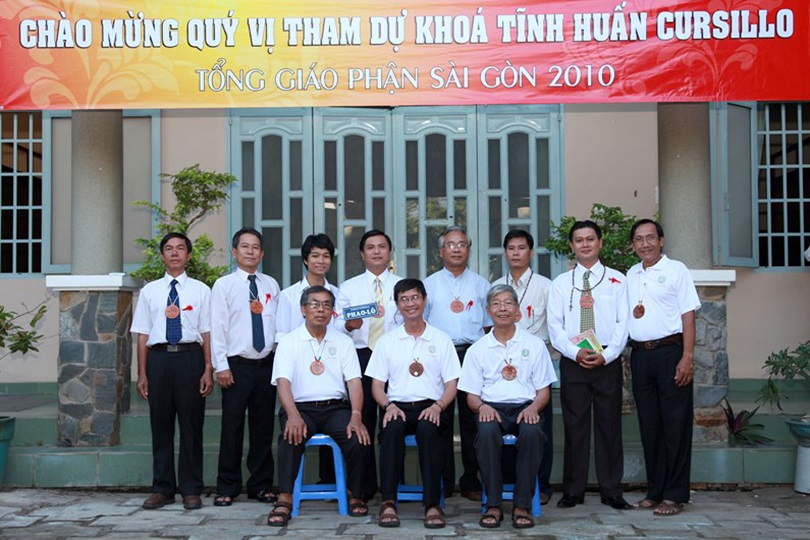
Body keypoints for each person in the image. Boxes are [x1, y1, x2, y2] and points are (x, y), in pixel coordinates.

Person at [267, 286, 371, 526]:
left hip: (336, 409)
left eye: (326, 305)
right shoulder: (289, 341)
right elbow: (283, 383)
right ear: (303, 309)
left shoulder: (343, 342)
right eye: (314, 304)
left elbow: (354, 381)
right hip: (300, 409)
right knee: (290, 436)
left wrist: (356, 414)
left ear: (333, 312)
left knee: (358, 438)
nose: (320, 310)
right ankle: (285, 497)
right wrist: (292, 415)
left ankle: (356, 494)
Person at [547, 220, 632, 510]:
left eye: (590, 239)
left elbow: (623, 322)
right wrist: (575, 353)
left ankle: (612, 490)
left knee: (609, 425)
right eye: (579, 240)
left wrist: (609, 355)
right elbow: (555, 326)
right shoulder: (561, 283)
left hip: (607, 359)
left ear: (600, 243)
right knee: (575, 425)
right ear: (571, 246)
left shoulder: (617, 280)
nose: (585, 244)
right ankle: (573, 490)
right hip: (574, 361)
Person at [459, 284, 557, 529]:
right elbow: (471, 396)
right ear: (488, 311)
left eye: (508, 303)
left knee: (533, 433)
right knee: (486, 432)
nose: (502, 308)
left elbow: (543, 391)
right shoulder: (477, 349)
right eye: (496, 304)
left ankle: (522, 505)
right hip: (491, 407)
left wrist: (534, 408)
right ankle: (493, 505)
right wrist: (481, 407)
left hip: (526, 406)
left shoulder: (534, 345)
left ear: (517, 310)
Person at [366, 279, 461, 529]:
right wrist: (388, 406)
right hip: (396, 406)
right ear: (397, 304)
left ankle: (432, 504)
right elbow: (377, 386)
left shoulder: (441, 339)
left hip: (432, 406)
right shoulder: (387, 341)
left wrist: (439, 406)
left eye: (415, 297)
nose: (410, 304)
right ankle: (388, 501)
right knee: (392, 430)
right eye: (404, 299)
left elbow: (452, 383)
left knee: (429, 431)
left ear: (424, 300)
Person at [131, 232, 212, 511]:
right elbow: (142, 334)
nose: (174, 253)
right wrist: (142, 373)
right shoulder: (150, 291)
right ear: (162, 255)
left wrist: (208, 368)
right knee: (161, 426)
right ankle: (163, 488)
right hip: (159, 360)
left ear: (188, 255)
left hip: (190, 358)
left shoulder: (201, 290)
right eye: (169, 248)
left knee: (192, 426)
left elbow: (207, 331)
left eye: (180, 248)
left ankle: (191, 489)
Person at [626, 219, 700, 516]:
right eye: (639, 239)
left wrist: (687, 356)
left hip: (671, 352)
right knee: (650, 425)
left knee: (675, 424)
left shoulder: (677, 270)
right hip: (641, 356)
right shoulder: (631, 274)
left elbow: (688, 316)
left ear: (661, 240)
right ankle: (655, 491)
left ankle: (674, 495)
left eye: (650, 238)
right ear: (633, 245)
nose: (645, 244)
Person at [211, 227, 280, 507]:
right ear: (234, 251)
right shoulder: (224, 285)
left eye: (255, 247)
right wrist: (221, 366)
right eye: (245, 246)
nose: (250, 252)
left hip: (266, 365)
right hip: (236, 366)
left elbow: (276, 325)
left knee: (263, 428)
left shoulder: (271, 285)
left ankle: (261, 485)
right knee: (232, 427)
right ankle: (227, 486)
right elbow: (218, 328)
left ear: (261, 254)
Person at [424, 226, 492, 500]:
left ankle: (471, 480)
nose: (456, 249)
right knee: (439, 418)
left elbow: (489, 327)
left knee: (471, 420)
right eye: (450, 244)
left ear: (468, 250)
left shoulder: (481, 285)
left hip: (472, 354)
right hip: (439, 355)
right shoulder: (428, 285)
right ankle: (444, 480)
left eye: (462, 244)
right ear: (441, 251)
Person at [276, 232, 349, 485]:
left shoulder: (339, 295)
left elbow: (341, 334)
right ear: (306, 259)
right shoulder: (288, 296)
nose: (321, 261)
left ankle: (330, 482)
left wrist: (350, 327)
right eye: (315, 255)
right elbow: (281, 335)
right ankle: (287, 491)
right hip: (299, 378)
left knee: (337, 422)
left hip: (331, 374)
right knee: (294, 431)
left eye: (326, 256)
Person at [491, 229, 555, 505]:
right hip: (504, 363)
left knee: (539, 427)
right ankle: (508, 482)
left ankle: (542, 484)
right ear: (505, 253)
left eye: (521, 248)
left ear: (531, 252)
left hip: (534, 362)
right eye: (511, 248)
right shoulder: (496, 285)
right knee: (500, 428)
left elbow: (554, 325)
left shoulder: (545, 286)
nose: (516, 253)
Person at [339, 229, 403, 499]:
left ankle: (393, 486)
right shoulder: (348, 287)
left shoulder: (403, 286)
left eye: (382, 247)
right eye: (370, 247)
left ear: (390, 252)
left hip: (395, 359)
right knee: (362, 421)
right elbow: (336, 326)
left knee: (393, 421)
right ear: (362, 254)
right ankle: (362, 488)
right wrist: (348, 325)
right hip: (361, 356)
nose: (376, 252)